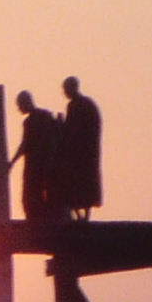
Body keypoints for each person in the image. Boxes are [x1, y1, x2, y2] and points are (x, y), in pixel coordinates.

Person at [12, 89, 64, 223]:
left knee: (31, 196)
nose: (19, 109)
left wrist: (12, 162)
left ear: (25, 103)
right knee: (41, 195)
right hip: (48, 164)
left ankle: (36, 222)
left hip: (36, 165)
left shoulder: (31, 121)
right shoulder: (45, 116)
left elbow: (25, 144)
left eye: (19, 105)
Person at [58, 77, 103, 215]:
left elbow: (71, 129)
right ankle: (84, 213)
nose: (64, 92)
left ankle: (80, 213)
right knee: (87, 181)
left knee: (75, 182)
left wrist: (60, 125)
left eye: (66, 89)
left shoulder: (76, 105)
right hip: (89, 152)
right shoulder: (89, 104)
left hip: (78, 153)